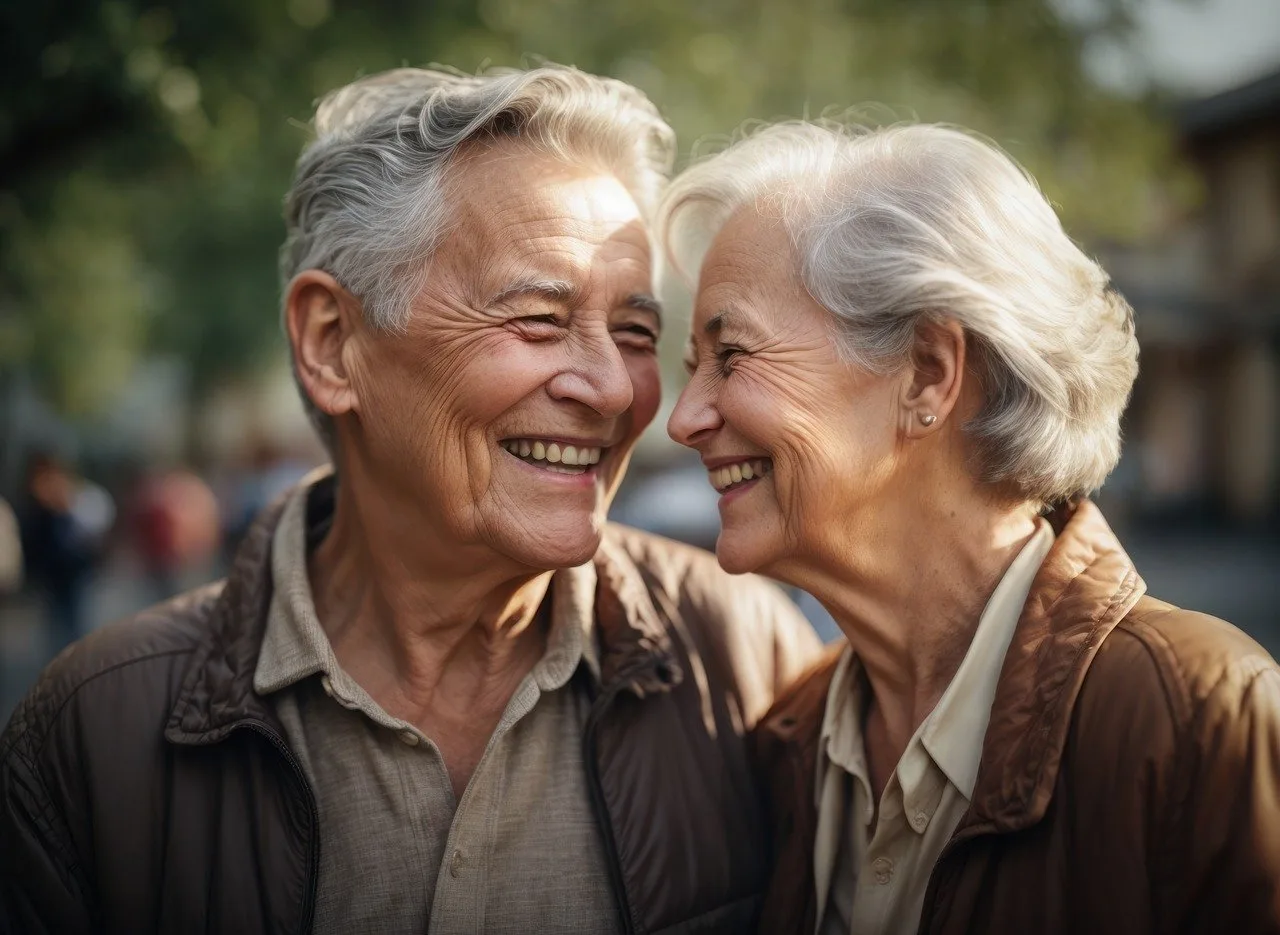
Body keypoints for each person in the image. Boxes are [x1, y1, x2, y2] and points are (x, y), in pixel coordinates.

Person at [0, 66, 821, 935]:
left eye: (636, 334)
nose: (615, 389)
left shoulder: (745, 658)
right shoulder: (97, 729)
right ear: (333, 343)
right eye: (539, 320)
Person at [662, 122, 1280, 935]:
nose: (684, 418)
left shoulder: (1196, 722)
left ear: (928, 371)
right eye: (689, 369)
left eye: (731, 355)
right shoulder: (789, 743)